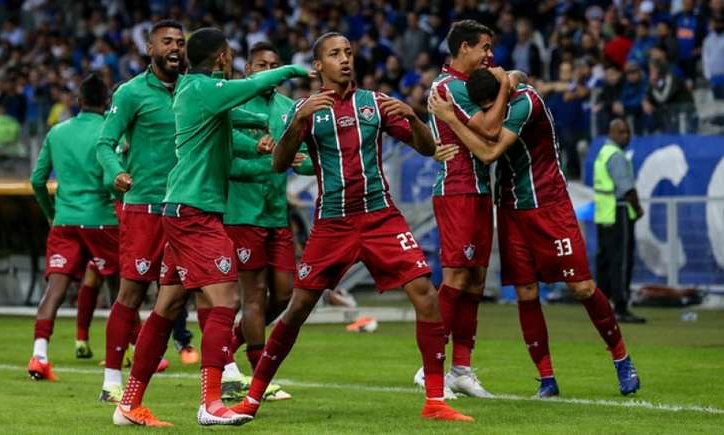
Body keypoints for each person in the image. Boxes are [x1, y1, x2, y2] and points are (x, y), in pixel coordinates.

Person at [230, 32, 472, 423]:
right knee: (296, 310)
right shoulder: (306, 110)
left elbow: (426, 149)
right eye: (334, 54)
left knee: (426, 295)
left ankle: (435, 400)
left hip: (380, 217)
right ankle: (253, 398)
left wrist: (412, 116)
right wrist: (299, 122)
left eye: (348, 52)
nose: (344, 59)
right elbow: (279, 163)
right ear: (318, 66)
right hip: (332, 224)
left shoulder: (374, 104)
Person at [112, 27, 310, 427]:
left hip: (182, 209)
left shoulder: (193, 92)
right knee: (225, 300)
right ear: (222, 57)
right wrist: (293, 69)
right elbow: (254, 85)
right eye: (230, 55)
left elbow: (244, 118)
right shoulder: (205, 89)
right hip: (195, 214)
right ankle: (211, 403)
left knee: (167, 306)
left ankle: (129, 404)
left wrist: (280, 136)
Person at [428, 68, 641, 398]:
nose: (486, 114)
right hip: (512, 209)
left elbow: (488, 151)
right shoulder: (506, 93)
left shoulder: (526, 103)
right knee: (526, 292)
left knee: (582, 286)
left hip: (550, 206)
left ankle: (622, 360)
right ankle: (547, 379)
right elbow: (512, 79)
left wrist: (451, 119)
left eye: (487, 105)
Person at [414, 19, 514, 399]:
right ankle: (430, 368)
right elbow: (489, 131)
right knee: (455, 280)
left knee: (474, 282)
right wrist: (505, 85)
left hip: (477, 190)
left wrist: (505, 81)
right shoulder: (448, 88)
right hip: (456, 191)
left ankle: (461, 369)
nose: (490, 55)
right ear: (464, 48)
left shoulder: (468, 86)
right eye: (484, 47)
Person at [95, 20, 187, 403]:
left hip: (186, 209)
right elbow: (104, 143)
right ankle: (112, 379)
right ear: (149, 48)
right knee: (131, 293)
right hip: (144, 209)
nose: (175, 48)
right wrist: (116, 172)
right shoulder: (131, 93)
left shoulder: (192, 89)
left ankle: (227, 372)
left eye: (180, 43)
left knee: (201, 292)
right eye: (166, 41)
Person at [221, 41, 314, 400]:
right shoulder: (234, 103)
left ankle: (230, 342)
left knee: (286, 293)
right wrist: (269, 162)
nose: (269, 70)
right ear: (248, 70)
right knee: (254, 294)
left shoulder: (290, 108)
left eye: (275, 64)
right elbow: (227, 163)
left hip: (276, 213)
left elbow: (304, 158)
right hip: (242, 213)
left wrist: (298, 162)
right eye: (262, 64)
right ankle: (259, 376)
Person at [27, 74, 120, 381]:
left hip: (65, 220)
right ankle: (126, 349)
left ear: (78, 102)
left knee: (55, 289)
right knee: (121, 289)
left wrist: (51, 212)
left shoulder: (57, 132)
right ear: (107, 102)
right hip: (102, 219)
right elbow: (115, 178)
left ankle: (39, 355)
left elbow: (38, 180)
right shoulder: (110, 132)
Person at [594, 119, 646, 324]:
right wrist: (638, 209)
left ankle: (602, 306)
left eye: (628, 132)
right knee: (621, 262)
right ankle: (621, 307)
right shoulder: (616, 156)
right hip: (619, 212)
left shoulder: (602, 153)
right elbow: (627, 189)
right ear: (611, 133)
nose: (626, 136)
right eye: (622, 132)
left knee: (605, 262)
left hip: (604, 214)